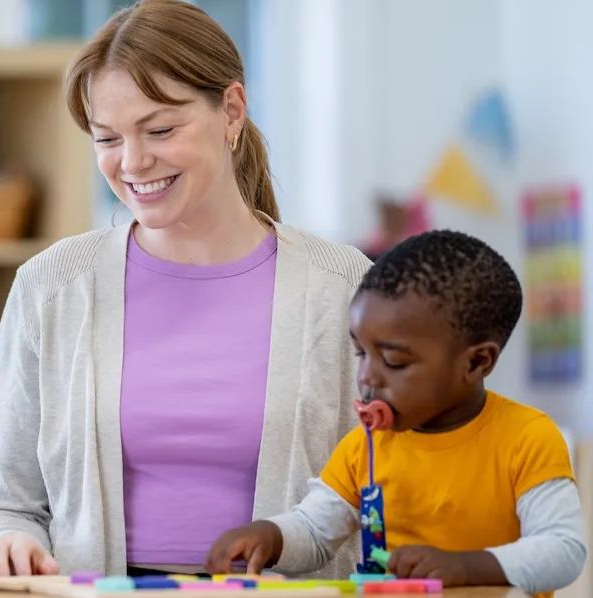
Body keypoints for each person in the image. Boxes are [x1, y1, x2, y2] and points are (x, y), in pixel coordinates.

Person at [0, 0, 371, 577]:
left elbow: (388, 491)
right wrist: (8, 541)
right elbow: (4, 506)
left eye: (159, 129)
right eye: (107, 139)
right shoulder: (52, 288)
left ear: (232, 110)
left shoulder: (344, 288)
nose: (132, 162)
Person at [206, 230, 586, 595]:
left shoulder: (528, 438)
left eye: (394, 360)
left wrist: (464, 567)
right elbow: (315, 531)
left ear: (476, 363)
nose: (368, 376)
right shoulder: (364, 447)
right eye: (361, 353)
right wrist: (270, 537)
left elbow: (562, 550)